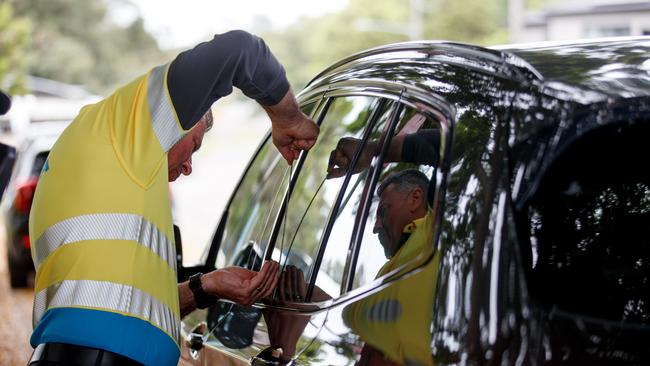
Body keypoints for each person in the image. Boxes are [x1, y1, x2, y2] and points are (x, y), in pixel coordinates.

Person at [28, 30, 319, 366]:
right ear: (172, 118)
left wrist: (206, 286)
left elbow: (130, 309)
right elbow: (240, 51)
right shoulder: (123, 127)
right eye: (193, 145)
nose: (189, 166)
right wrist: (289, 118)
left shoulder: (104, 170)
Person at [343, 169, 441, 366]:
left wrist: (378, 149)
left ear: (415, 198)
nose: (375, 227)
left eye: (383, 211)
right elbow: (360, 319)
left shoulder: (436, 231)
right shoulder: (391, 267)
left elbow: (445, 148)